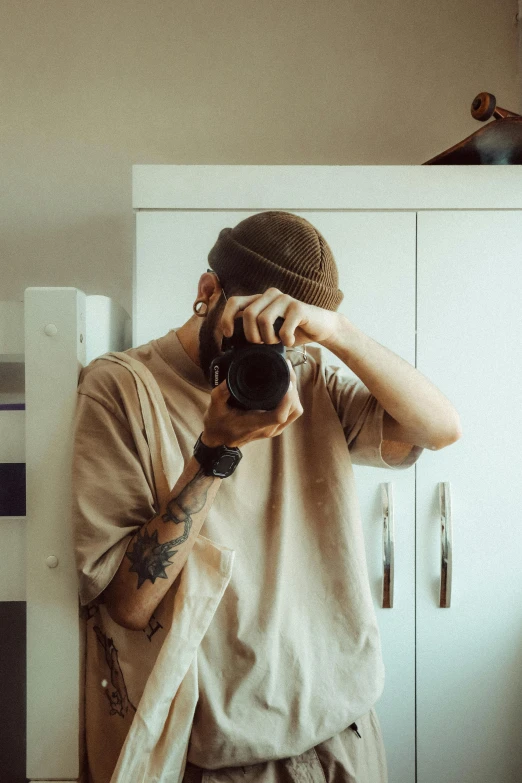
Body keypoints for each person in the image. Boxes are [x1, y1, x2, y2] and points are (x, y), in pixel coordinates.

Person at [72, 211, 461, 783]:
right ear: (208, 292)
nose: (268, 349)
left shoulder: (305, 374)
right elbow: (128, 606)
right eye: (249, 323)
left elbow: (440, 428)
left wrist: (337, 333)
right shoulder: (123, 389)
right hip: (228, 758)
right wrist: (215, 452)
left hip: (348, 735)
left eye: (285, 331)